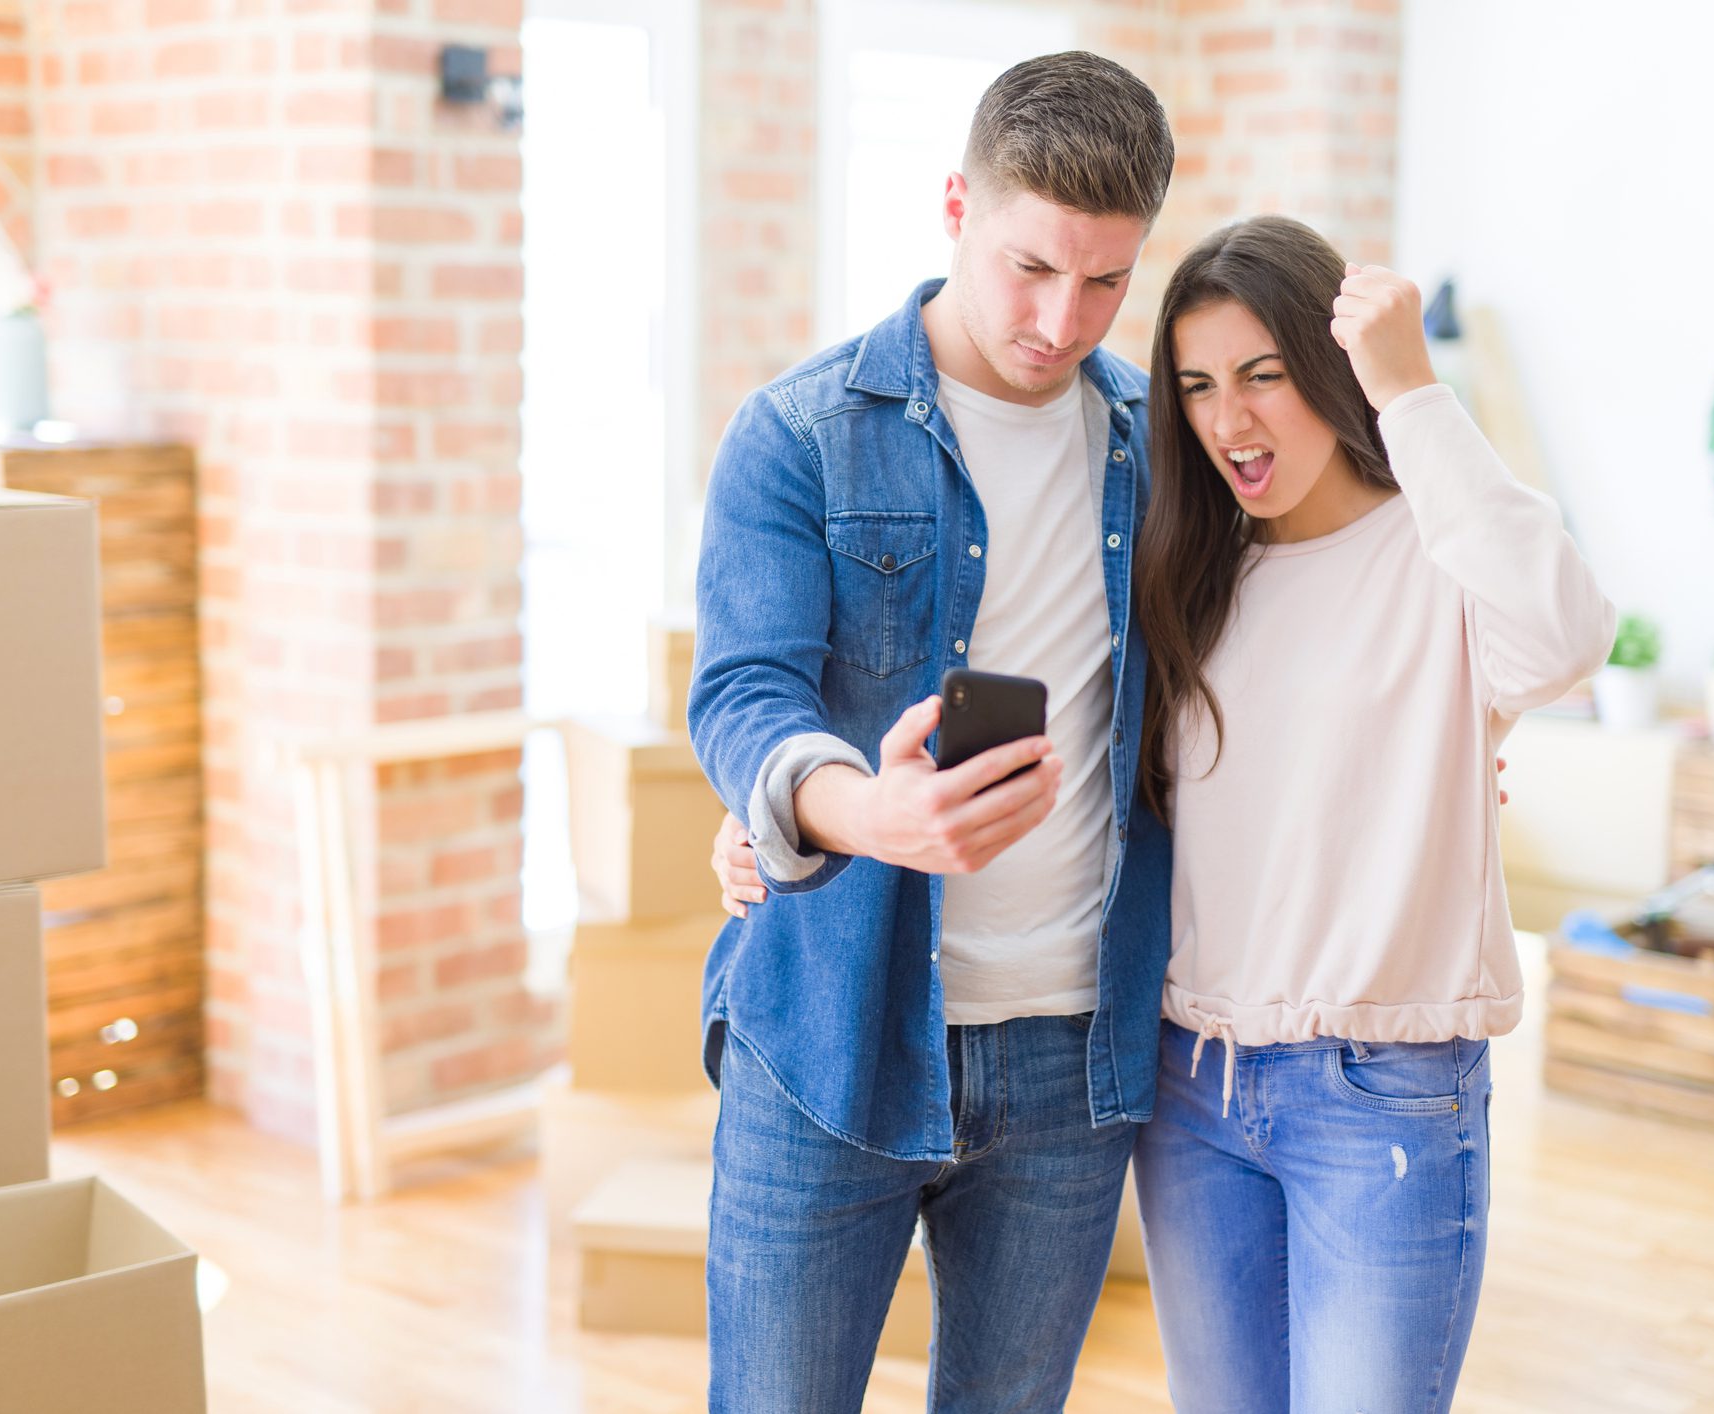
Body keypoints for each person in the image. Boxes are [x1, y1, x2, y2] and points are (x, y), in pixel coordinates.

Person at [684, 51, 1176, 1413]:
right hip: (831, 1025)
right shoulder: (803, 434)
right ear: (958, 201)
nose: (1062, 319)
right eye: (1031, 266)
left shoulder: (1155, 442)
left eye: (1106, 281)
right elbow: (742, 695)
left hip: (1074, 1052)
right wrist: (856, 811)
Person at [1125, 214, 1613, 1412]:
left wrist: (1411, 389)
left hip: (1379, 1092)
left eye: (1261, 376)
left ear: (1329, 372)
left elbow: (1563, 640)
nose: (1226, 421)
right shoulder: (1191, 567)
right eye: (1195, 386)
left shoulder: (1438, 550)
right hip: (1190, 1083)